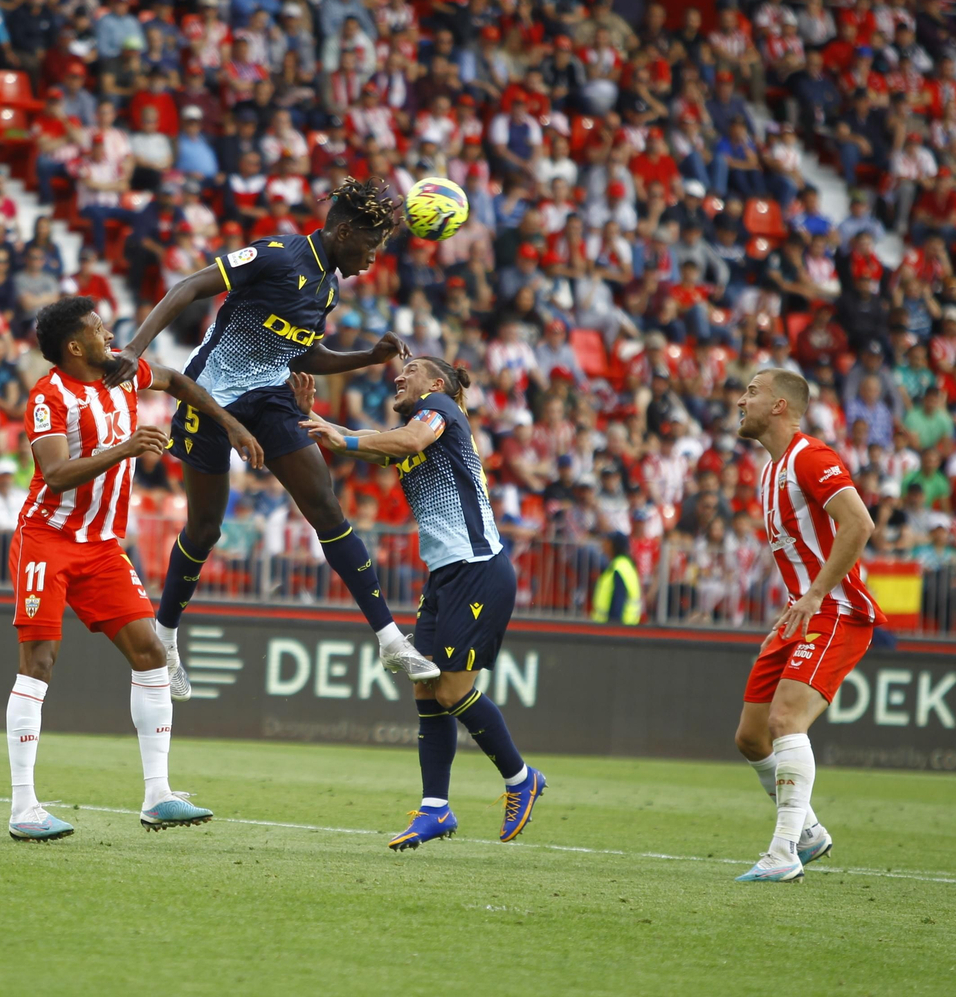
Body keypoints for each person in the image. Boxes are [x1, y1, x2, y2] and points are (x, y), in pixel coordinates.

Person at [106, 177, 435, 694]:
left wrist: (366, 358)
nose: (372, 260)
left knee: (326, 506)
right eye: (369, 247)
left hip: (270, 396)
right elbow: (187, 287)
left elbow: (301, 355)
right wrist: (133, 348)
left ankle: (391, 640)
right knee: (205, 530)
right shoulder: (278, 255)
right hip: (210, 398)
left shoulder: (328, 285)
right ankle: (165, 636)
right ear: (344, 231)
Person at [4, 296, 263, 840]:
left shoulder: (124, 370)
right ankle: (24, 808)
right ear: (74, 347)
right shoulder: (50, 396)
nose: (109, 333)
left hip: (101, 547)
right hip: (46, 538)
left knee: (149, 650)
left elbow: (177, 382)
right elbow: (53, 474)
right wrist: (125, 448)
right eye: (97, 328)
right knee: (39, 661)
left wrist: (231, 425)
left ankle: (157, 794)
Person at [299, 359, 546, 849]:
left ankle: (521, 778)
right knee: (427, 690)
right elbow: (383, 446)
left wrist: (341, 436)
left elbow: (406, 442)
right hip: (445, 575)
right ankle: (436, 808)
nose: (398, 375)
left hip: (477, 568)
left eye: (409, 370)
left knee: (452, 693)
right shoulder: (421, 424)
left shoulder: (438, 410)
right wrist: (325, 426)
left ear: (436, 384)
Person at [731, 369, 883, 882]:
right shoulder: (770, 472)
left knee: (784, 722)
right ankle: (811, 832)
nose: (741, 400)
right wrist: (799, 601)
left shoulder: (811, 457)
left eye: (752, 392)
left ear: (779, 405)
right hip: (802, 612)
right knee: (752, 738)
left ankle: (783, 852)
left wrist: (816, 593)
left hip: (837, 609)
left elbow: (859, 523)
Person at [592, 531, 642, 624]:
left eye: (607, 541)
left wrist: (613, 629)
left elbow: (618, 601)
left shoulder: (618, 568)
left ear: (613, 545)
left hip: (614, 629)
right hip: (626, 628)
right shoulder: (625, 565)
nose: (603, 544)